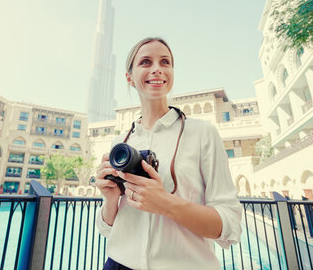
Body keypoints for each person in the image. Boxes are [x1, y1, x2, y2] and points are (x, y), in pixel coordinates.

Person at [95, 37, 242, 270]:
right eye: (145, 62)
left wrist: (165, 203)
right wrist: (111, 199)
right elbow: (106, 228)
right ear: (129, 77)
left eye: (165, 62)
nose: (157, 69)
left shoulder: (202, 133)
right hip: (118, 264)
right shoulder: (120, 144)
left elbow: (230, 226)